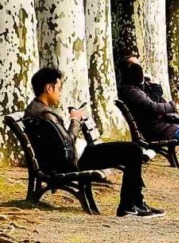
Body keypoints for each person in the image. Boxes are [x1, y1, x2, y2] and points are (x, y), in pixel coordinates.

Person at [25, 67, 165, 219]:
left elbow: (62, 142)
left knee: (133, 150)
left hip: (69, 159)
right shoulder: (45, 115)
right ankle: (129, 205)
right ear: (49, 88)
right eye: (59, 88)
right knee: (133, 151)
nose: (60, 92)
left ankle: (135, 203)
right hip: (72, 162)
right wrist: (75, 121)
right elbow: (67, 144)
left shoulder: (36, 109)